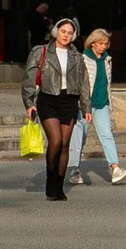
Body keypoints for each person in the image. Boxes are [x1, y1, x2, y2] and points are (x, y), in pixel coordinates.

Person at [25, 18, 88, 201]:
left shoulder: (77, 56)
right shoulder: (40, 51)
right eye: (63, 31)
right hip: (48, 100)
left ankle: (58, 188)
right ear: (56, 32)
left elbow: (84, 83)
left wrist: (86, 107)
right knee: (56, 141)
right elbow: (28, 78)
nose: (66, 35)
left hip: (69, 102)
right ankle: (50, 182)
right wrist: (29, 103)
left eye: (70, 33)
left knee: (66, 145)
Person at [70, 26, 126, 186]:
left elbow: (107, 84)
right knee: (80, 138)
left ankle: (115, 168)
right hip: (86, 105)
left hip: (102, 103)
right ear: (92, 43)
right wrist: (81, 104)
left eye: (106, 43)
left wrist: (109, 104)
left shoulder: (107, 60)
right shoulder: (83, 59)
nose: (104, 46)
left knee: (107, 135)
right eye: (101, 43)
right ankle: (75, 170)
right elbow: (80, 84)